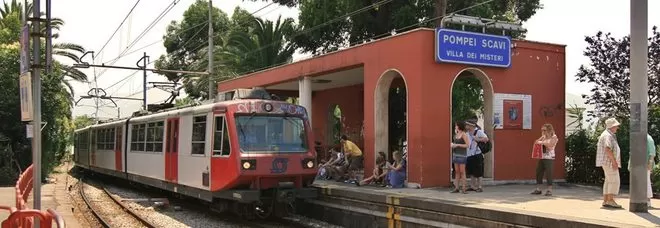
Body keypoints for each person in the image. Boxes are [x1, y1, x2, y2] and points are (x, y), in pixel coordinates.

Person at [596, 118, 622, 209]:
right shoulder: (608, 136)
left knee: (608, 180)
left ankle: (606, 200)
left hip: (606, 162)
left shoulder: (607, 134)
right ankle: (610, 200)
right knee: (614, 180)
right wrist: (614, 162)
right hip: (609, 162)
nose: (617, 128)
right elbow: (607, 149)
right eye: (616, 126)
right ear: (612, 126)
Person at [627, 133, 656, 208]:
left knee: (646, 182)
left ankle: (648, 200)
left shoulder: (648, 138)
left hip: (644, 164)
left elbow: (652, 153)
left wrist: (650, 163)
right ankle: (640, 200)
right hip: (636, 164)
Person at [531, 123, 558, 196]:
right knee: (538, 172)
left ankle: (549, 190)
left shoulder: (554, 137)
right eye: (542, 130)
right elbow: (536, 142)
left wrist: (541, 142)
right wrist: (540, 141)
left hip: (549, 158)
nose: (543, 131)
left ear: (549, 130)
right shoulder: (543, 137)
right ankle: (538, 189)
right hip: (542, 157)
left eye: (544, 130)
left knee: (549, 173)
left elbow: (550, 145)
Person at [465, 120, 488, 192]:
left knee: (478, 171)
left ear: (471, 126)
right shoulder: (467, 133)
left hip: (477, 154)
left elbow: (486, 139)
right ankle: (472, 186)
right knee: (471, 172)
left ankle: (480, 186)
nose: (466, 126)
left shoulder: (478, 132)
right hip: (469, 154)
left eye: (467, 125)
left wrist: (477, 139)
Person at [451, 121, 471, 194]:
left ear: (459, 126)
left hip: (462, 155)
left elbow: (467, 145)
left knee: (462, 172)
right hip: (456, 154)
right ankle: (456, 187)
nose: (455, 126)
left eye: (456, 125)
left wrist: (458, 145)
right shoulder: (456, 134)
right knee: (457, 172)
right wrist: (453, 145)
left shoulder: (464, 134)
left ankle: (464, 188)